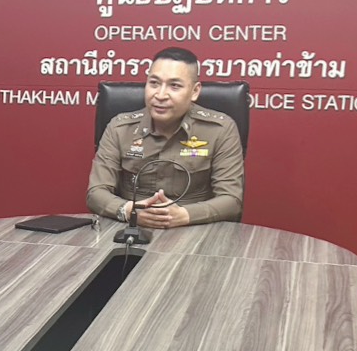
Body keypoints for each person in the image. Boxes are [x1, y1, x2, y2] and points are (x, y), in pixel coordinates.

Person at [86, 47, 243, 228]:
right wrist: (129, 210)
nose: (160, 95)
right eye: (154, 83)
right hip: (131, 230)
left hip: (195, 229)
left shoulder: (220, 130)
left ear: (195, 91)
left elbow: (231, 200)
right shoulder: (120, 128)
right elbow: (96, 193)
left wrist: (184, 215)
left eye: (174, 86)